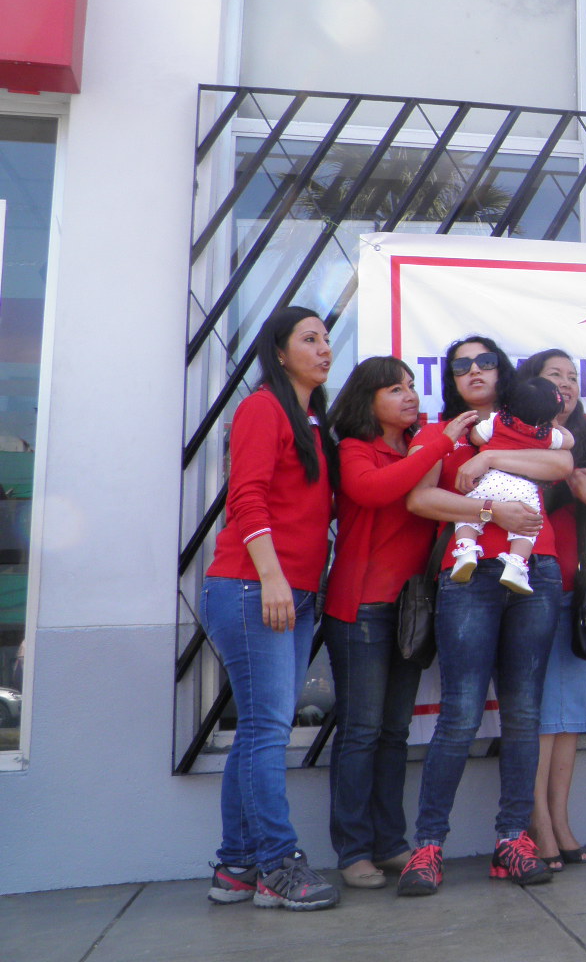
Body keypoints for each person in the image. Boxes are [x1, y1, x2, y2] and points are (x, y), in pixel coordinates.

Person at [396, 335, 573, 896]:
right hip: (468, 576)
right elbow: (420, 500)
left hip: (535, 572)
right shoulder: (440, 432)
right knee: (461, 713)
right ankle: (427, 847)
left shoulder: (527, 429)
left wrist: (491, 457)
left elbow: (564, 463)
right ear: (451, 379)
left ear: (504, 374)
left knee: (523, 713)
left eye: (485, 362)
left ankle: (512, 840)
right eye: (461, 366)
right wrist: (490, 508)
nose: (473, 371)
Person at [201, 306, 340, 910]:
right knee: (265, 731)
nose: (324, 348)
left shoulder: (313, 423)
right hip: (254, 586)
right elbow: (247, 498)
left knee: (258, 731)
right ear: (279, 353)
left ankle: (236, 865)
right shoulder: (263, 408)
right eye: (310, 339)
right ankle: (279, 864)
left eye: (328, 339)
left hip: (293, 591)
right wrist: (274, 577)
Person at [323, 356, 476, 889]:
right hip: (361, 608)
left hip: (411, 608)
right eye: (395, 388)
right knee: (361, 733)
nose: (409, 395)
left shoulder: (420, 448)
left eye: (412, 386)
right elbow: (377, 490)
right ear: (369, 400)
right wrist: (435, 445)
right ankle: (353, 849)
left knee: (392, 733)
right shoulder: (356, 449)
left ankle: (390, 843)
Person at [522, 348, 586, 872]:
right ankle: (536, 820)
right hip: (530, 589)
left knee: (570, 718)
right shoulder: (512, 441)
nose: (566, 384)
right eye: (553, 375)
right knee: (538, 715)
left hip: (584, 594)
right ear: (531, 386)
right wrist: (561, 488)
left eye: (573, 377)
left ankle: (559, 817)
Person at [447, 374, 573, 593]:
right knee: (528, 525)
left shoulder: (497, 420)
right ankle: (516, 564)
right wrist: (554, 425)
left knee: (466, 515)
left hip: (489, 481)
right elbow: (569, 442)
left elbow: (476, 438)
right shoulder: (547, 434)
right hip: (522, 488)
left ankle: (466, 549)